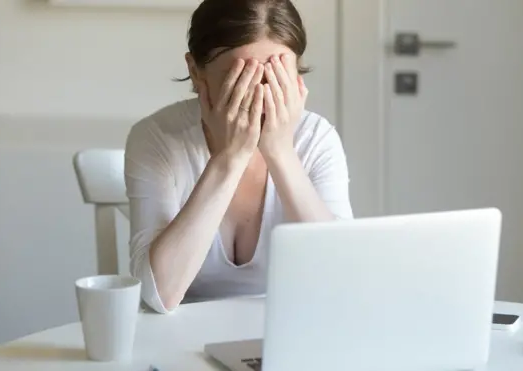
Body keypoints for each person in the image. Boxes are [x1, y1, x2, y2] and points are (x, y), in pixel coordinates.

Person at [124, 0, 353, 314]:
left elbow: (343, 280)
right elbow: (158, 295)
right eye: (240, 81)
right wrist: (229, 158)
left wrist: (281, 153)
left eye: (275, 79)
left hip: (287, 332)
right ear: (196, 72)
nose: (259, 96)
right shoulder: (156, 138)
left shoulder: (316, 139)